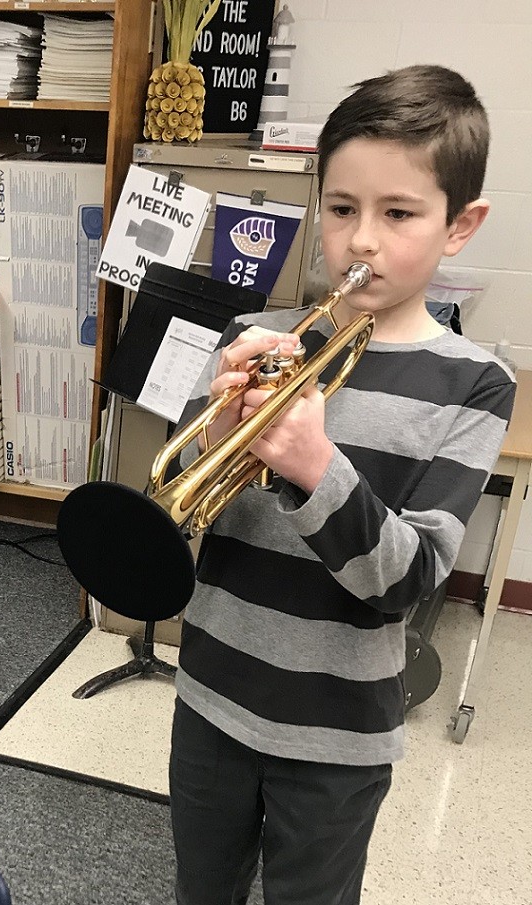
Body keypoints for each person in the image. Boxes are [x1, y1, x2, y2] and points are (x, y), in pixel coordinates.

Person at [169, 64, 516, 905]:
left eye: (397, 214)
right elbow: (179, 493)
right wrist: (216, 433)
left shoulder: (475, 383)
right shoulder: (258, 334)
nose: (362, 241)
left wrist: (314, 466)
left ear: (459, 225)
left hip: (338, 735)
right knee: (199, 890)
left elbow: (408, 581)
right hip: (212, 694)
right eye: (341, 208)